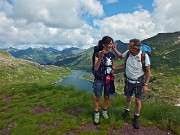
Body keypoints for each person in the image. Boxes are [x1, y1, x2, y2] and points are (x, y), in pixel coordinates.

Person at [112, 39, 151, 129]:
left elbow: (148, 72)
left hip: (139, 82)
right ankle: (126, 112)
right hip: (128, 81)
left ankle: (136, 118)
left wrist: (146, 85)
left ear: (136, 48)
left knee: (138, 101)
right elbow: (121, 56)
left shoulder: (144, 56)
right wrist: (114, 49)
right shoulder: (129, 53)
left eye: (129, 46)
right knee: (128, 98)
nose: (128, 48)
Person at [93, 36, 124, 125]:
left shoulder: (111, 55)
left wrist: (124, 66)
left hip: (108, 79)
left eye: (111, 43)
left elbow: (113, 67)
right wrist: (100, 57)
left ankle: (104, 111)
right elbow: (96, 67)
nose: (111, 45)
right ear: (104, 44)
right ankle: (96, 113)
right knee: (98, 97)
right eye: (109, 43)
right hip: (99, 79)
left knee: (107, 96)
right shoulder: (97, 54)